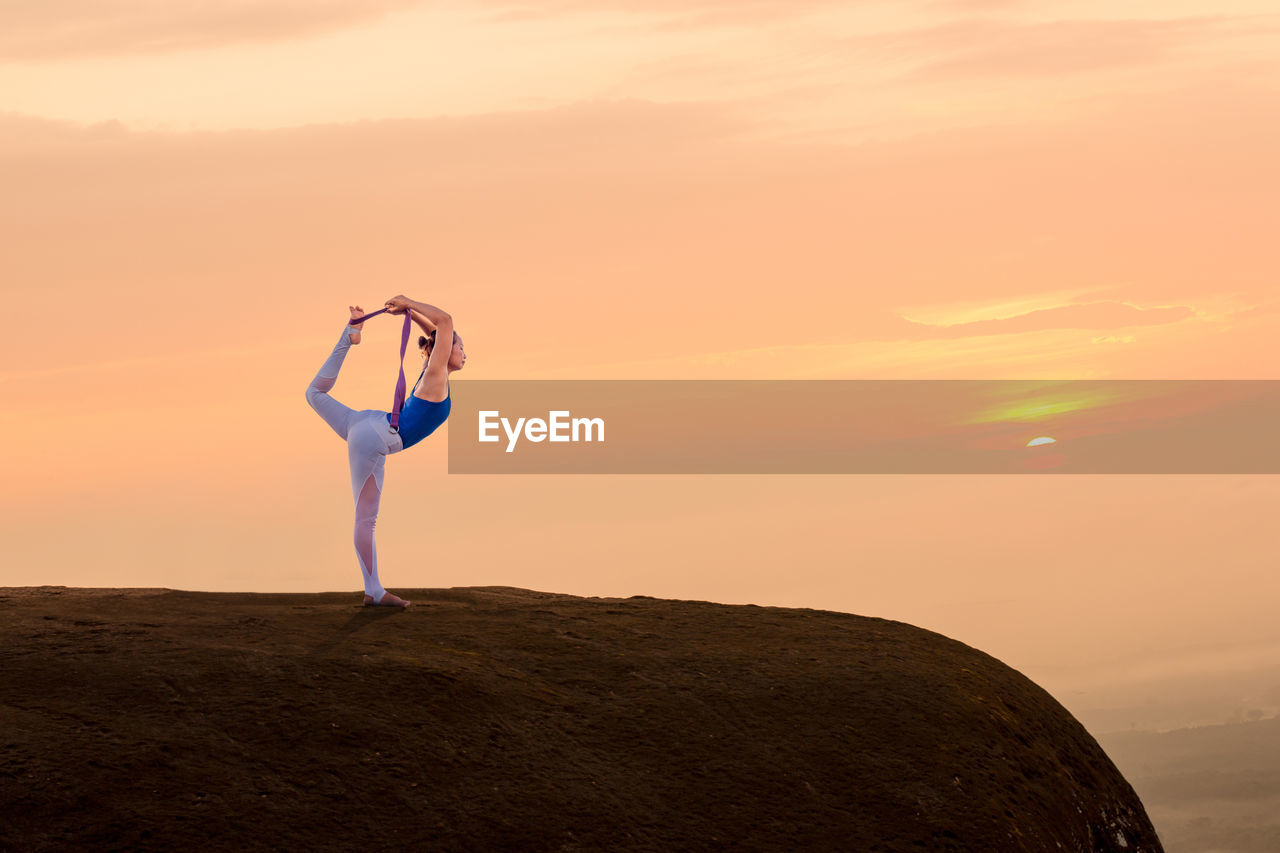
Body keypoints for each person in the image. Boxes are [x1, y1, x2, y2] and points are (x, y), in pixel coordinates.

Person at [304, 295, 466, 607]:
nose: (464, 354)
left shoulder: (432, 373)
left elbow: (437, 330)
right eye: (460, 347)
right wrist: (409, 302)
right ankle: (374, 592)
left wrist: (411, 311)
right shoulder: (435, 376)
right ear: (445, 350)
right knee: (365, 519)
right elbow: (445, 322)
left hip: (363, 423)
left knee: (314, 393)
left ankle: (350, 333)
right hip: (376, 437)